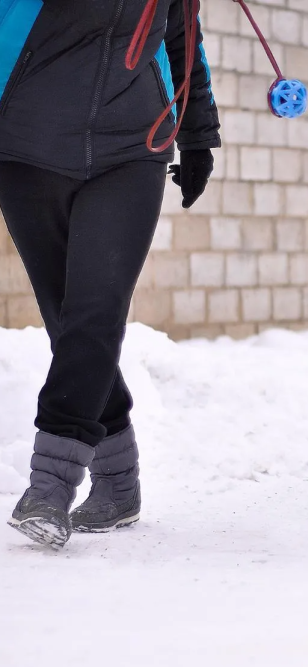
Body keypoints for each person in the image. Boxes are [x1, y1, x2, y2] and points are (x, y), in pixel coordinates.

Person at [0, 0, 221, 548]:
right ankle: (119, 484)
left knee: (95, 314)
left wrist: (197, 136)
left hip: (133, 148)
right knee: (67, 322)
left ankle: (50, 485)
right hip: (26, 148)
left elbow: (183, 41)